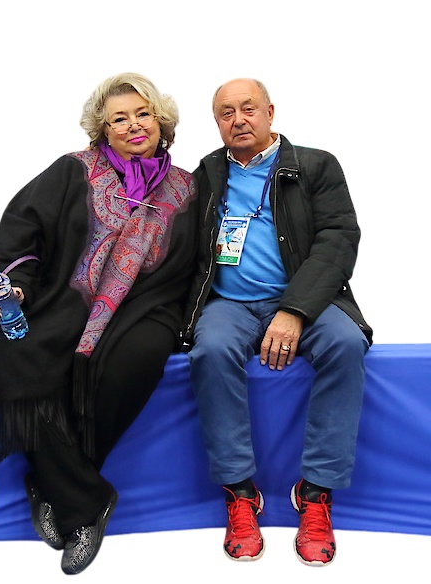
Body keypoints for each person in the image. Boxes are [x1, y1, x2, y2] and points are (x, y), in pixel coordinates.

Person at [0, 72, 198, 575]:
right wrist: (17, 287)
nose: (134, 125)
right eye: (120, 119)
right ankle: (85, 502)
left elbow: (198, 262)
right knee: (11, 348)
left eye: (143, 114)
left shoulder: (190, 186)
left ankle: (48, 484)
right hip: (65, 297)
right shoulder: (72, 170)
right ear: (103, 130)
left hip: (148, 306)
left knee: (135, 359)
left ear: (161, 120)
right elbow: (23, 233)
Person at [182, 78, 372, 566]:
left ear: (270, 112)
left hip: (303, 300)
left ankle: (316, 492)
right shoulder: (206, 173)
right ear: (216, 122)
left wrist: (294, 310)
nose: (238, 120)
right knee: (210, 350)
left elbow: (339, 239)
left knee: (346, 344)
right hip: (228, 303)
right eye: (226, 113)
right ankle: (240, 491)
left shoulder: (315, 165)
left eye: (248, 108)